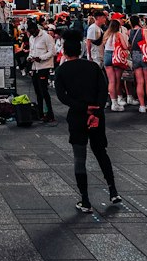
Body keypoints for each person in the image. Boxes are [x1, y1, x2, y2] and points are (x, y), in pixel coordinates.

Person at [54, 32, 121, 212]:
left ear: (65, 53)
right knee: (100, 152)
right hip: (97, 115)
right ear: (81, 50)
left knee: (79, 157)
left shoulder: (61, 71)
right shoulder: (93, 67)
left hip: (77, 116)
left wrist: (83, 109)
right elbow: (103, 89)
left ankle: (85, 200)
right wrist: (95, 110)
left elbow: (62, 97)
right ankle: (113, 190)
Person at [27, 20, 56, 122]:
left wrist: (41, 57)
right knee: (37, 91)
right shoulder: (31, 38)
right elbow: (32, 51)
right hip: (35, 67)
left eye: (33, 31)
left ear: (36, 29)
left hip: (44, 66)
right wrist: (30, 57)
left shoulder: (46, 37)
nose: (32, 34)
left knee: (44, 90)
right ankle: (40, 113)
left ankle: (50, 113)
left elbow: (52, 52)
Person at [129, 15, 147, 112]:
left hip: (135, 56)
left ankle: (141, 105)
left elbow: (129, 46)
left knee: (139, 82)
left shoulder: (130, 32)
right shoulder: (144, 30)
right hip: (145, 55)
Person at [103, 18, 130, 110]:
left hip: (107, 56)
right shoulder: (118, 34)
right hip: (116, 57)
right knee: (117, 81)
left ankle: (113, 102)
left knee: (111, 81)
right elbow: (125, 46)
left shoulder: (106, 34)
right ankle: (118, 100)